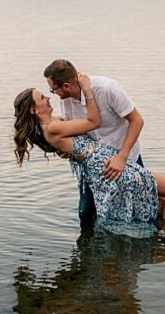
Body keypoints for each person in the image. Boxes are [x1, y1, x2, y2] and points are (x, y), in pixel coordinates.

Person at [13, 74, 165, 227]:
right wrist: (88, 91)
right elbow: (94, 121)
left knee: (157, 202)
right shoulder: (52, 127)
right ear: (34, 110)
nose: (48, 97)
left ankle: (163, 244)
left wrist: (65, 150)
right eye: (42, 97)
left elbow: (69, 137)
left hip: (106, 165)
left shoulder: (51, 125)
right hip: (110, 166)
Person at [44, 59, 149, 223]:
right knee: (87, 213)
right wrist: (67, 149)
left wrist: (122, 158)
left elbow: (137, 121)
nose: (53, 93)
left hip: (126, 158)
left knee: (138, 210)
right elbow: (78, 128)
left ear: (66, 86)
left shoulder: (107, 88)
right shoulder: (66, 100)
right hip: (94, 165)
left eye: (53, 89)